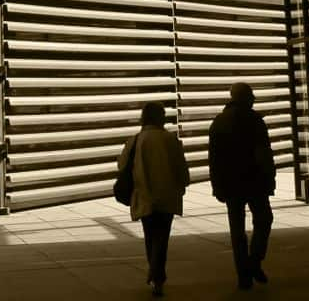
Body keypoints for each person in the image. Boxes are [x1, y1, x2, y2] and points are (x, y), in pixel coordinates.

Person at [117, 102, 190, 297]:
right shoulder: (170, 139)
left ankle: (155, 271)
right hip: (167, 196)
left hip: (145, 195)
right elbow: (181, 168)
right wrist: (183, 185)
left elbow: (121, 165)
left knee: (150, 236)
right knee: (162, 238)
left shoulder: (135, 140)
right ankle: (158, 275)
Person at [208, 82, 275, 290]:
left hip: (230, 184)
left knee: (237, 230)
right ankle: (254, 262)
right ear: (247, 97)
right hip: (255, 182)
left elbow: (214, 158)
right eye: (252, 95)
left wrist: (216, 185)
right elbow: (263, 152)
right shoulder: (255, 120)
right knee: (264, 220)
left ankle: (243, 276)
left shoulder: (218, 122)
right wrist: (269, 177)